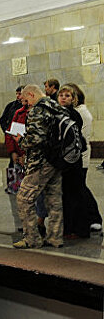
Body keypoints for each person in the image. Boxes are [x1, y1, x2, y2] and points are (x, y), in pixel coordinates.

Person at [12, 84, 65, 249]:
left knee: (23, 198)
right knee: (54, 199)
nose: (27, 104)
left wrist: (20, 140)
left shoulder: (37, 110)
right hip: (56, 160)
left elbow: (36, 139)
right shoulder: (56, 106)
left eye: (26, 100)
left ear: (31, 94)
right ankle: (55, 237)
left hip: (40, 162)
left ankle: (32, 239)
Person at [64, 84, 102, 233]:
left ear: (76, 98)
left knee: (80, 190)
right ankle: (90, 218)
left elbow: (79, 137)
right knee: (80, 189)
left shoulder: (80, 113)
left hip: (80, 157)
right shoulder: (76, 112)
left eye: (68, 96)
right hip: (77, 156)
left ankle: (93, 218)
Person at [57, 85, 91, 239]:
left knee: (75, 195)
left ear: (73, 99)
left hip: (72, 160)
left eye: (67, 96)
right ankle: (69, 227)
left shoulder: (73, 115)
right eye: (61, 95)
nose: (63, 98)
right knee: (67, 195)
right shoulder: (58, 113)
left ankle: (79, 229)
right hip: (66, 160)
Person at [0, 86, 25, 169]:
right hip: (12, 139)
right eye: (16, 94)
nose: (18, 96)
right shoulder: (11, 106)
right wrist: (7, 130)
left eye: (20, 94)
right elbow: (3, 120)